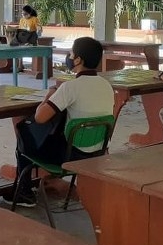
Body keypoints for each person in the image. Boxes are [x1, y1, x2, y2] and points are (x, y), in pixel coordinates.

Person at [6, 37, 114, 207]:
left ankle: (24, 192)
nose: (69, 57)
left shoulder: (70, 88)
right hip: (97, 153)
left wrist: (50, 94)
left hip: (69, 157)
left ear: (78, 59)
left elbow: (40, 117)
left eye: (71, 53)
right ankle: (29, 186)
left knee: (24, 133)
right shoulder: (106, 86)